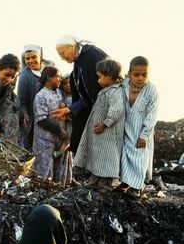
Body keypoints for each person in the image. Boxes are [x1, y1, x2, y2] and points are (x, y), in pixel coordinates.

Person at [74, 59, 125, 192]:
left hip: (109, 134)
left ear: (109, 75)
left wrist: (105, 124)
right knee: (98, 156)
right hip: (100, 134)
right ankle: (95, 179)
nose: (98, 81)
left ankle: (106, 183)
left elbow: (117, 110)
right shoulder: (105, 91)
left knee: (108, 157)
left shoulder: (116, 92)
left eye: (100, 77)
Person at [52, 35, 108, 155]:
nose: (62, 58)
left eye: (62, 53)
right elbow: (86, 98)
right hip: (95, 113)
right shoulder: (77, 65)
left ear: (72, 46)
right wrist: (68, 109)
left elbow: (109, 85)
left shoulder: (93, 54)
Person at [119, 56, 159, 199]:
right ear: (129, 74)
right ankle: (125, 182)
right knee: (125, 155)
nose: (140, 78)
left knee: (139, 158)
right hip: (126, 127)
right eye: (137, 74)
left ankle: (136, 187)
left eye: (144, 74)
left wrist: (144, 135)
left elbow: (152, 115)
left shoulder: (151, 90)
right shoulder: (123, 85)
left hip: (142, 130)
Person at [32, 66, 70, 183]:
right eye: (57, 76)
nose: (60, 79)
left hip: (59, 138)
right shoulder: (41, 96)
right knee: (44, 170)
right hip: (45, 139)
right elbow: (41, 119)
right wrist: (59, 131)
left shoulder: (58, 92)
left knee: (59, 169)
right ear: (49, 77)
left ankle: (56, 194)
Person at [18, 45, 54, 151]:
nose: (31, 61)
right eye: (27, 58)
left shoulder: (51, 67)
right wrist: (24, 113)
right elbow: (22, 101)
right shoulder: (25, 76)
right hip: (35, 120)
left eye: (34, 57)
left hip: (54, 116)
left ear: (40, 56)